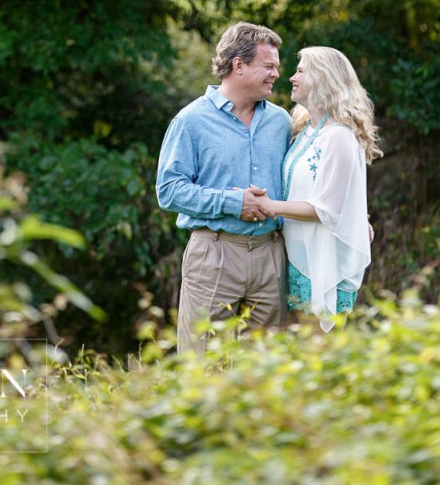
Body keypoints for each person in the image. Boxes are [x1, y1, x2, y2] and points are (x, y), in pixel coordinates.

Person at [156, 22, 292, 353]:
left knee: (267, 365)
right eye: (269, 66)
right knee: (203, 363)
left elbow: (311, 176)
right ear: (239, 65)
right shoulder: (190, 121)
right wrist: (232, 203)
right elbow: (169, 191)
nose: (276, 74)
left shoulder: (281, 122)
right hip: (214, 254)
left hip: (272, 254)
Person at [247, 46, 382, 331]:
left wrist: (269, 205)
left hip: (321, 265)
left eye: (300, 71)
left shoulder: (340, 136)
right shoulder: (305, 130)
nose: (292, 78)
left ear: (323, 78)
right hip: (295, 259)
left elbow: (328, 209)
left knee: (317, 359)